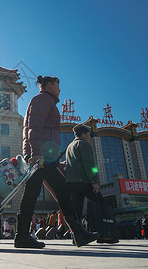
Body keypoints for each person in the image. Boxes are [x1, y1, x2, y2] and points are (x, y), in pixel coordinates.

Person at [15, 75, 99, 249]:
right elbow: (33, 127)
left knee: (63, 194)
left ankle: (78, 233)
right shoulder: (43, 99)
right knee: (32, 194)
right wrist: (36, 153)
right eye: (58, 85)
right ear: (50, 85)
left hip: (47, 158)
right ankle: (22, 236)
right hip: (40, 157)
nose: (60, 89)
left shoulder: (47, 101)